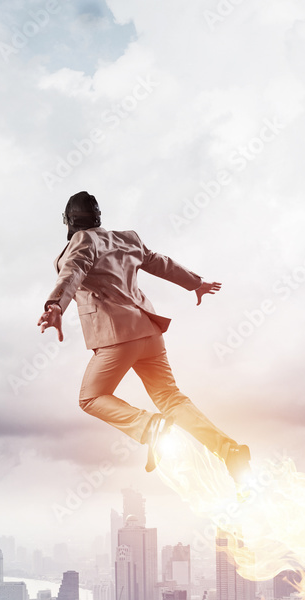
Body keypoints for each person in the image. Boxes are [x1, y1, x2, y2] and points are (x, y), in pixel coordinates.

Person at [38, 191, 250, 479]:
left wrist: (55, 305)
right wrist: (195, 283)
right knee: (172, 398)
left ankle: (150, 427)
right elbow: (159, 261)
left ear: (69, 222)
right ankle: (230, 451)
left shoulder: (82, 241)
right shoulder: (128, 238)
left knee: (91, 397)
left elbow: (73, 272)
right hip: (149, 331)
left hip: (117, 336)